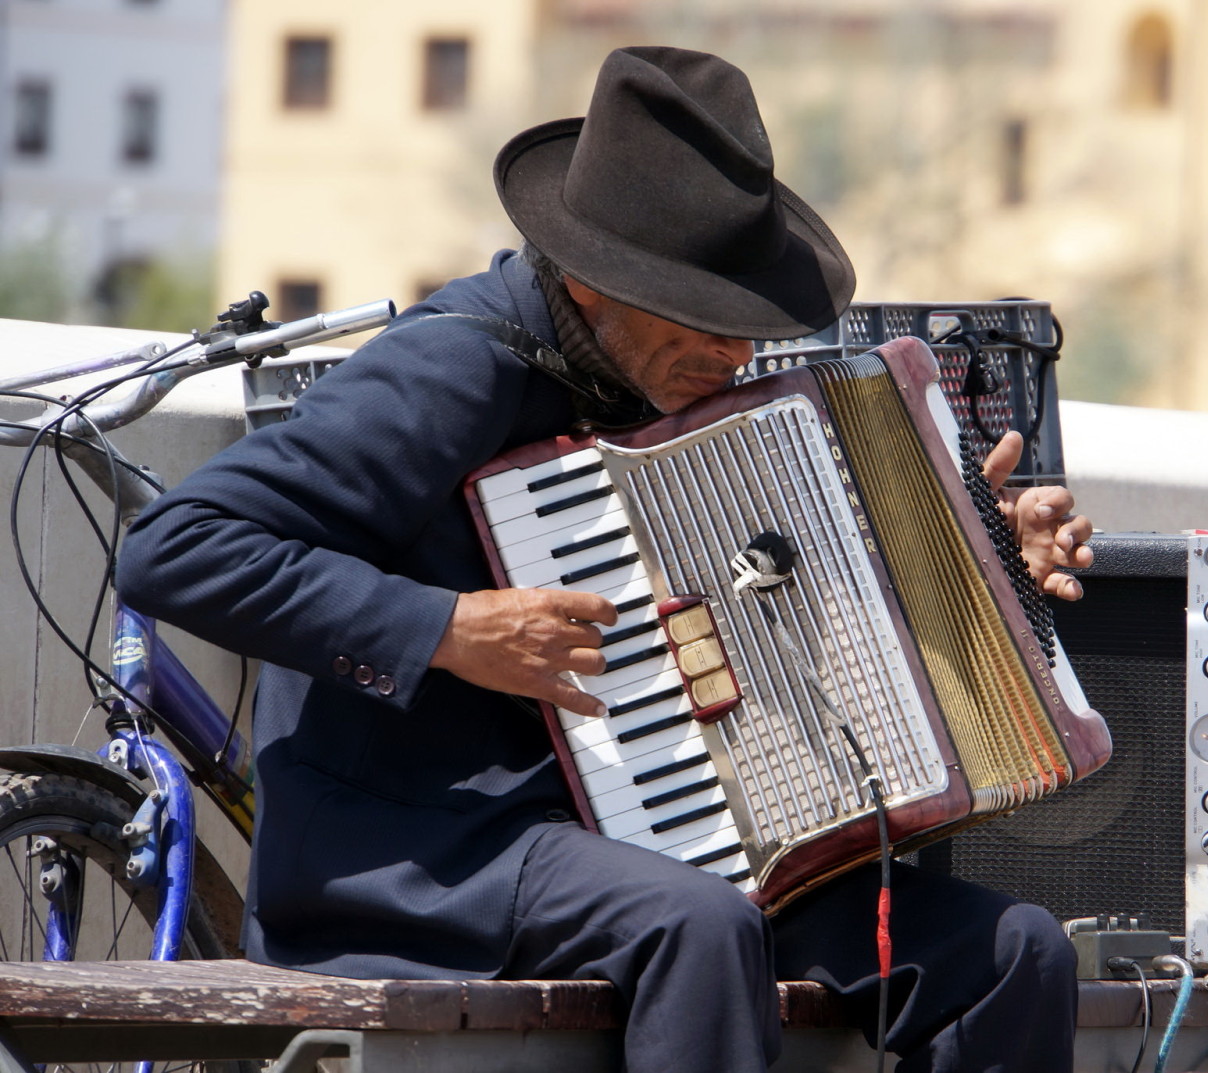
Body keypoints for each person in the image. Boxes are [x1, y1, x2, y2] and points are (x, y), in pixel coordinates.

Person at [118, 46, 1094, 1072]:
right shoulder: (451, 366)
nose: (734, 356)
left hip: (674, 840)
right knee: (698, 923)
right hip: (424, 852)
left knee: (1013, 952)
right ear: (592, 281)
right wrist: (447, 629)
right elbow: (176, 549)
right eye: (706, 318)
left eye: (748, 325)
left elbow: (821, 599)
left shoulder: (686, 392)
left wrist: (987, 552)